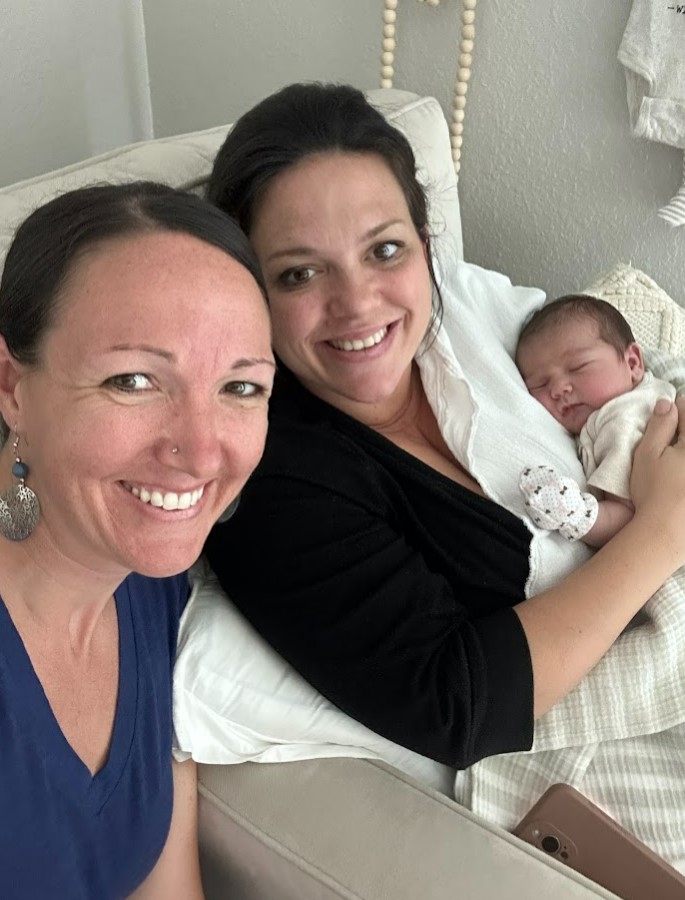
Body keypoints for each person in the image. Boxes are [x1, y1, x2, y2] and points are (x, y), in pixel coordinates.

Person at [202, 83, 685, 836]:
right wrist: (661, 529)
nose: (358, 303)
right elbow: (456, 704)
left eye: (383, 250)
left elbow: (621, 364)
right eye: (299, 273)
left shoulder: (462, 310)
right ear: (249, 293)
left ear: (425, 245)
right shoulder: (274, 484)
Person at [0, 182, 274, 899]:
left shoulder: (158, 592)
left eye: (241, 388)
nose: (203, 452)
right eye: (133, 380)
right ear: (11, 387)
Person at [515, 293, 676, 546]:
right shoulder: (652, 391)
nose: (557, 389)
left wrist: (577, 515)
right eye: (540, 384)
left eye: (578, 367)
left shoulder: (620, 418)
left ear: (633, 363)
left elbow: (629, 519)